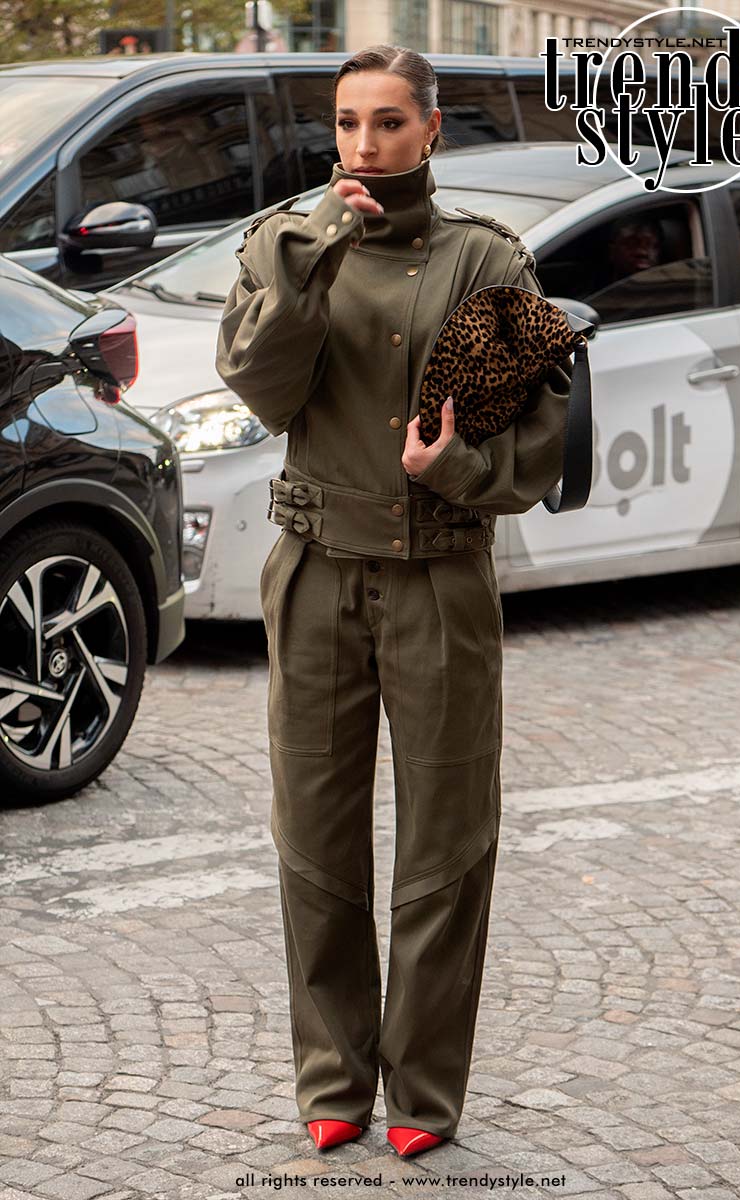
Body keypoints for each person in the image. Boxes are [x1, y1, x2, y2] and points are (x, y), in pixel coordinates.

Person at [216, 44, 570, 1159]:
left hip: (439, 575)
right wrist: (315, 254)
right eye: (346, 122)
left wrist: (449, 471)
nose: (363, 144)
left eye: (386, 122)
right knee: (313, 840)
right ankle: (332, 1078)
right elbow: (265, 389)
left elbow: (536, 449)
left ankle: (422, 1093)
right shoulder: (285, 241)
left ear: (430, 133)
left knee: (445, 846)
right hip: (316, 570)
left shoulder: (487, 261)